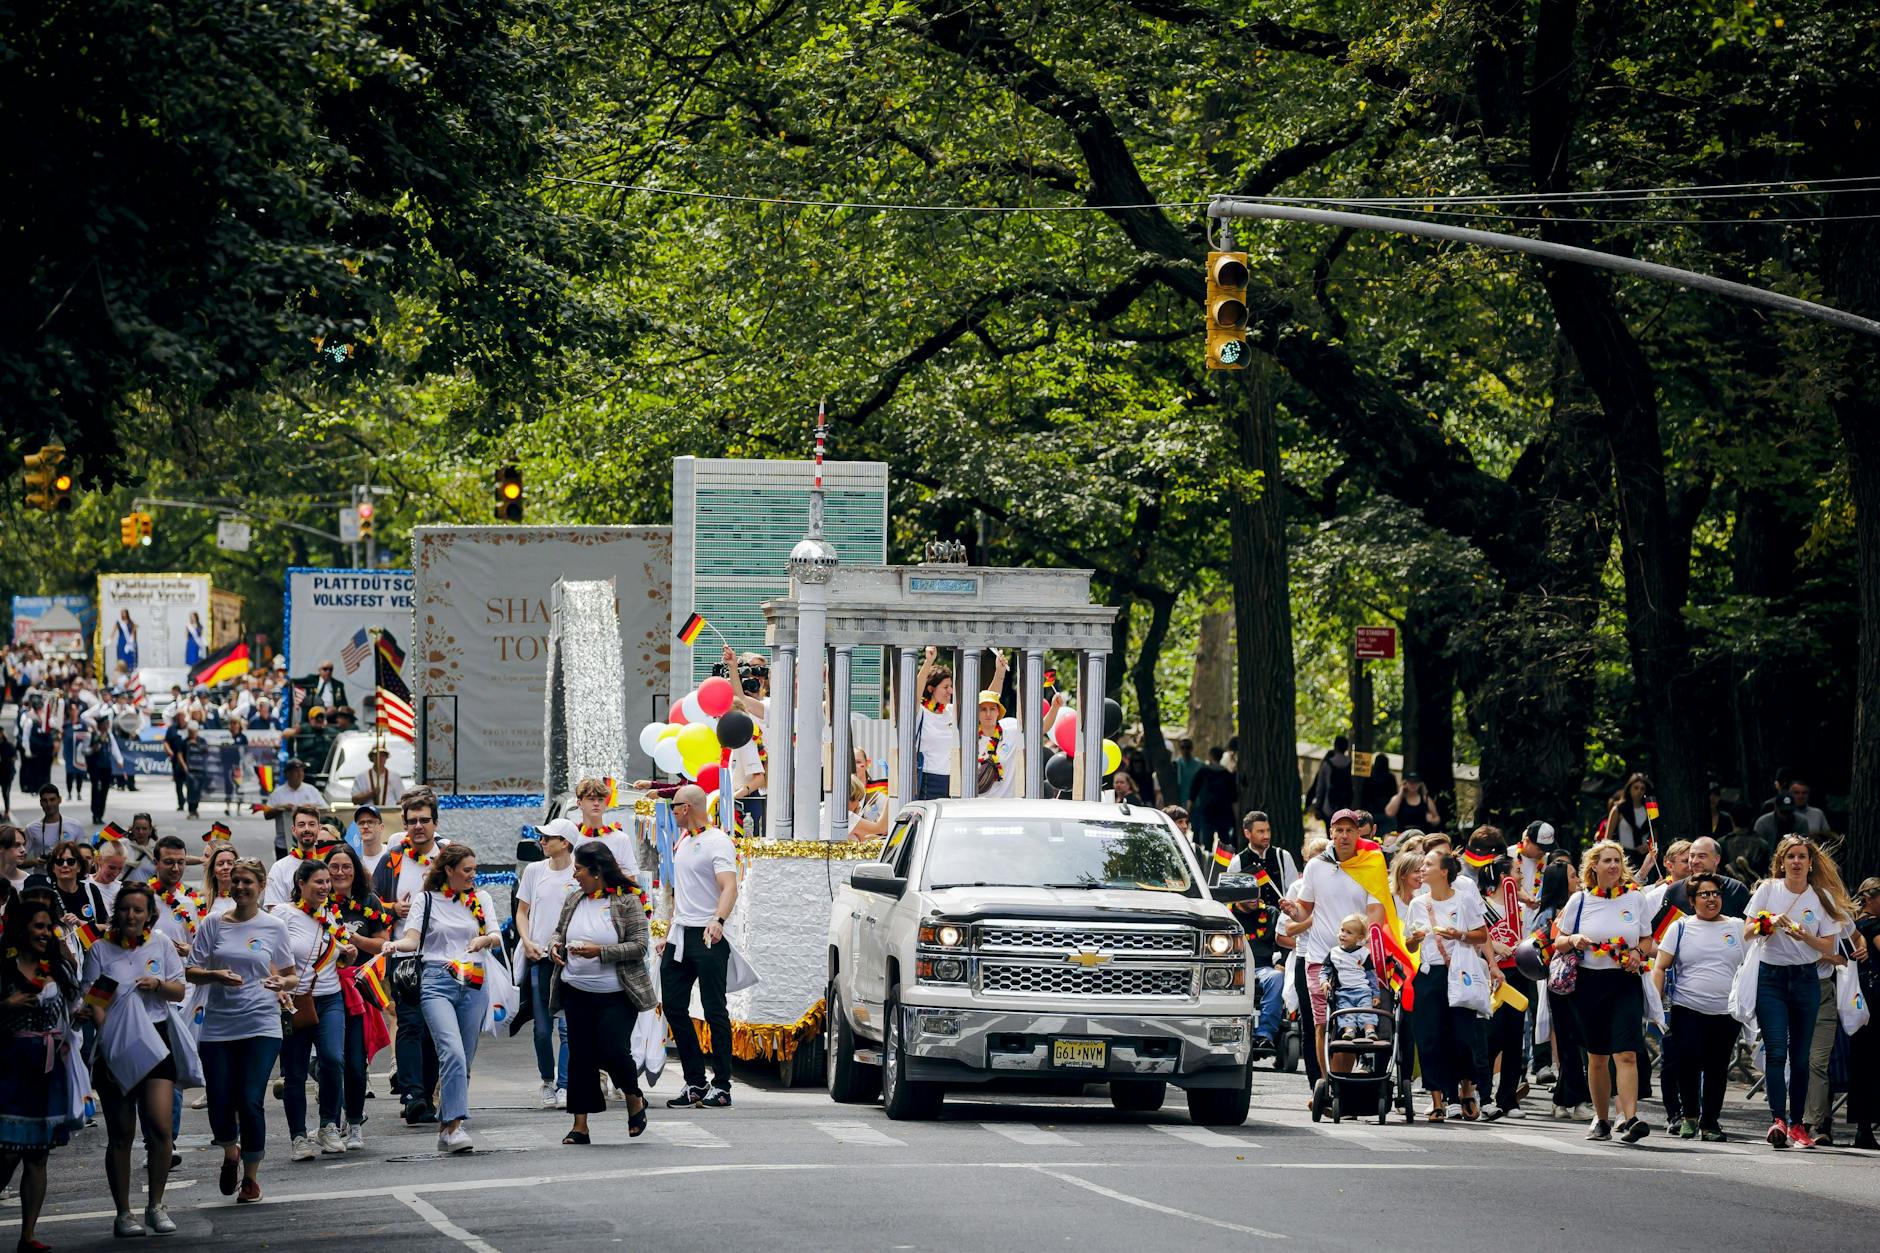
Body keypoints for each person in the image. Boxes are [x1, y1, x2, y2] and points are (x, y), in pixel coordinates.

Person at [79, 882, 187, 1237]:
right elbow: (95, 1001)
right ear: (117, 912)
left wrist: (157, 984)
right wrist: (109, 1040)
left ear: (149, 916)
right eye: (125, 909)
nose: (131, 916)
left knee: (160, 1126)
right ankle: (123, 1213)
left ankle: (156, 1205)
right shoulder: (100, 951)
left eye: (138, 910)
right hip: (116, 1043)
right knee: (121, 1133)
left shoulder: (161, 944)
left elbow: (179, 988)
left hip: (156, 1039)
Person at [186, 858, 295, 1203]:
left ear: (261, 886)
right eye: (237, 881)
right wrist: (215, 975)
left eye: (249, 881)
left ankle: (251, 1177)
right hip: (219, 1024)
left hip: (261, 1022)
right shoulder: (213, 923)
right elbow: (191, 971)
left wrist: (282, 981)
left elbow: (292, 974)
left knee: (250, 1099)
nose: (242, 887)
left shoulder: (274, 926)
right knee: (219, 1100)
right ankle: (230, 1151)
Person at [387, 844, 501, 1153]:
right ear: (448, 870)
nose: (472, 875)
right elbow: (412, 938)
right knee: (451, 1051)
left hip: (473, 979)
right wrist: (394, 946)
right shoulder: (426, 900)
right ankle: (453, 1126)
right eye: (467, 870)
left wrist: (485, 939)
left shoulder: (481, 898)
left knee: (464, 1056)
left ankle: (448, 1129)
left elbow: (496, 934)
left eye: (475, 869)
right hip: (437, 978)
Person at [1745, 834, 1852, 1149]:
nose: (1795, 861)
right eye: (1790, 856)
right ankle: (1777, 1120)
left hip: (1806, 979)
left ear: (1810, 862)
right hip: (1771, 978)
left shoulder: (1822, 897)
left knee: (1801, 1057)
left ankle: (1798, 1125)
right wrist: (1769, 924)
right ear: (1781, 862)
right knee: (1777, 1051)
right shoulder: (1768, 889)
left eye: (1801, 856)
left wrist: (1805, 936)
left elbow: (1829, 947)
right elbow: (1747, 931)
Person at [548, 842, 655, 1144]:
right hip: (576, 989)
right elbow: (558, 932)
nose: (575, 874)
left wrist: (600, 952)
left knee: (611, 1049)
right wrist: (554, 948)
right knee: (580, 1054)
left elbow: (639, 946)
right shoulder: (574, 898)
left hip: (617, 993)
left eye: (579, 869)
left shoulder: (627, 901)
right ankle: (579, 1125)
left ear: (596, 872)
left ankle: (634, 1097)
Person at [1, 893, 83, 1250]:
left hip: (49, 1067)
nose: (46, 933)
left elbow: (73, 1006)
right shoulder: (4, 968)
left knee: (37, 1153)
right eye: (38, 926)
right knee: (6, 1151)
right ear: (21, 929)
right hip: (11, 1066)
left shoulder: (58, 968)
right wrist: (7, 1004)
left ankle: (28, 1235)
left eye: (49, 926)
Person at [1278, 810, 1386, 1082]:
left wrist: (1366, 949)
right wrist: (1294, 912)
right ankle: (1324, 1085)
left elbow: (1376, 913)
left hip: (1355, 960)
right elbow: (1304, 912)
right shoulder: (1316, 866)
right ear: (1331, 834)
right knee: (1321, 1024)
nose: (1344, 835)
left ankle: (1341, 1085)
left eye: (1349, 830)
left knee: (1346, 1023)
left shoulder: (1371, 864)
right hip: (1319, 958)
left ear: (1358, 833)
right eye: (1339, 830)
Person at [1554, 840, 1651, 1143]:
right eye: (1606, 860)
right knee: (1596, 1057)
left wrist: (1638, 953)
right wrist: (1574, 940)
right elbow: (1557, 940)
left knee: (1627, 1053)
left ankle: (1631, 1117)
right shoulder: (1580, 900)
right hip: (1588, 983)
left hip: (1624, 982)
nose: (1612, 866)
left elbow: (1647, 940)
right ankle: (1602, 1118)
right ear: (1593, 867)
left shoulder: (1636, 899)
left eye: (1617, 861)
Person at [1649, 872, 1747, 1141]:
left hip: (1726, 1011)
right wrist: (1657, 1005)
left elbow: (1752, 963)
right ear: (1692, 901)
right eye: (1705, 894)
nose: (1712, 899)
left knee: (1717, 1067)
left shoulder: (1737, 927)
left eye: (1715, 893)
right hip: (1687, 1007)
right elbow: (1660, 966)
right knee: (1687, 1063)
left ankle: (1711, 1122)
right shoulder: (1680, 927)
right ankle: (1690, 1117)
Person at [659, 783, 739, 1109]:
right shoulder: (685, 840)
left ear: (687, 808)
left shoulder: (717, 841)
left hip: (707, 935)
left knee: (713, 1009)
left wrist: (718, 921)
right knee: (674, 1006)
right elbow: (684, 892)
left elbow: (729, 886)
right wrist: (669, 932)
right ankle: (695, 1082)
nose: (672, 811)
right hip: (682, 934)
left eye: (674, 806)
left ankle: (721, 1085)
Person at [1404, 850, 1487, 1121]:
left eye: (1428, 864)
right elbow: (1409, 943)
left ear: (1444, 872)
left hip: (1459, 973)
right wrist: (1415, 939)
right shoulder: (1418, 904)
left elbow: (1481, 934)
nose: (1422, 868)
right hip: (1430, 975)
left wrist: (1458, 934)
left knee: (1463, 1037)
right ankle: (1436, 1098)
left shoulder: (1464, 900)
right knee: (1430, 1038)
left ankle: (1466, 1090)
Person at [383, 793, 442, 1125]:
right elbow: (371, 900)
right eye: (412, 821)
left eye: (424, 820)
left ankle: (428, 1096)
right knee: (409, 1024)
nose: (418, 826)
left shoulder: (446, 858)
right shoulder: (393, 859)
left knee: (433, 1028)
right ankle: (412, 1095)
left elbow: (466, 896)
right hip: (404, 955)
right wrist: (394, 908)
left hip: (439, 955)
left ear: (435, 822)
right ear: (404, 824)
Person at [325, 843, 389, 1149]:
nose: (339, 873)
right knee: (329, 1060)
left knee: (354, 1061)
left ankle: (354, 1122)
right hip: (323, 988)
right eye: (334, 867)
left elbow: (382, 945)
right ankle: (329, 1124)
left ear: (355, 870)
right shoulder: (317, 901)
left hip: (358, 989)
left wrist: (352, 938)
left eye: (345, 867)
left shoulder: (368, 901)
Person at [518, 818, 578, 1109]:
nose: (542, 842)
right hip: (539, 958)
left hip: (570, 960)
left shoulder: (579, 870)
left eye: (547, 838)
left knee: (568, 1028)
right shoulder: (534, 871)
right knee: (542, 1029)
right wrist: (527, 941)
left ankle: (566, 1084)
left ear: (564, 842)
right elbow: (522, 911)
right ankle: (547, 1080)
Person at [24, 839, 109, 949]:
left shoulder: (91, 890)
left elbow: (107, 927)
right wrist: (62, 926)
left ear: (78, 867)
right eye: (59, 862)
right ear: (53, 868)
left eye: (70, 861)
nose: (64, 865)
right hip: (64, 955)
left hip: (93, 954)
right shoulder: (48, 894)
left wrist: (81, 924)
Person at [1849, 878, 1880, 1151]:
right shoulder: (1872, 925)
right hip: (1875, 1000)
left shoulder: (1854, 926)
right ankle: (1865, 1128)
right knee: (1872, 1064)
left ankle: (1863, 1127)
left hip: (1858, 1001)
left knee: (1863, 1063)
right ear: (1870, 898)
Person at [1322, 915, 1380, 1042]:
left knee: (1367, 1010)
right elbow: (1324, 970)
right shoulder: (1334, 953)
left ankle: (1369, 1030)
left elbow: (1371, 976)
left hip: (1363, 991)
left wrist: (1375, 994)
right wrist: (1324, 982)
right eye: (1342, 930)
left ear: (1359, 938)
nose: (1343, 934)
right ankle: (1349, 1031)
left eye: (1348, 932)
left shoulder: (1364, 953)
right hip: (1343, 992)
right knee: (1345, 1012)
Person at [571, 777, 640, 880]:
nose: (596, 803)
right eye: (591, 799)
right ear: (579, 803)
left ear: (606, 804)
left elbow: (630, 879)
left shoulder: (620, 838)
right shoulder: (570, 838)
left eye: (601, 799)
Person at [1664, 837, 1751, 917]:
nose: (1694, 861)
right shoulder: (1674, 891)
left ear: (1716, 859)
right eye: (1692, 856)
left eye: (1701, 856)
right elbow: (1662, 930)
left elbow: (1748, 928)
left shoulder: (1736, 890)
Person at [912, 647, 957, 801]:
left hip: (954, 780)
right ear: (931, 688)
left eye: (951, 686)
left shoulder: (952, 711)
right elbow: (914, 692)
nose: (950, 691)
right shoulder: (921, 712)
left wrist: (999, 673)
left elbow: (987, 701)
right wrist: (928, 661)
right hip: (928, 780)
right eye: (945, 687)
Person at [266, 805, 333, 906]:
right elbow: (273, 909)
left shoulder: (329, 864)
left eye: (311, 824)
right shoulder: (279, 868)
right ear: (293, 830)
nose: (307, 829)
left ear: (319, 828)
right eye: (301, 825)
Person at [260, 760, 323, 858]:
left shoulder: (311, 791)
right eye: (296, 771)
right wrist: (281, 808)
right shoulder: (278, 793)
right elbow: (266, 814)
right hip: (284, 843)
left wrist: (312, 807)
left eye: (302, 771)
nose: (300, 774)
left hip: (308, 843)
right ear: (287, 774)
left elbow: (325, 810)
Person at [1231, 810, 1301, 890]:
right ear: (1247, 834)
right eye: (1261, 831)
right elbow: (1233, 897)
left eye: (1268, 830)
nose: (1266, 836)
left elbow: (1294, 890)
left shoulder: (1284, 856)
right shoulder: (1237, 862)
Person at [973, 679, 1019, 800]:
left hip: (1006, 806)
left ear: (998, 711)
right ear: (976, 713)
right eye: (983, 709)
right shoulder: (969, 738)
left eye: (992, 709)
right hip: (977, 806)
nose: (988, 714)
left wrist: (1055, 708)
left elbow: (1041, 728)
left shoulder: (1012, 729)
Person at [1187, 747, 1237, 855]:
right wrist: (1236, 818)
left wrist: (1188, 812)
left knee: (1207, 843)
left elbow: (1192, 794)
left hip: (1207, 812)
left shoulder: (1203, 772)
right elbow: (1234, 799)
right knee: (1225, 843)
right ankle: (1224, 867)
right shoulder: (1227, 775)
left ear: (1210, 756)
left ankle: (1207, 865)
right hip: (1224, 813)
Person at [23, 784, 84, 864]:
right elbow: (20, 859)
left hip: (68, 873)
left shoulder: (75, 825)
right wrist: (35, 862)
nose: (49, 804)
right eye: (45, 801)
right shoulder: (31, 828)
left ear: (60, 800)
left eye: (52, 800)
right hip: (41, 874)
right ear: (41, 803)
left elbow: (84, 854)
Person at [1599, 772, 1654, 858]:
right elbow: (1607, 839)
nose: (1639, 791)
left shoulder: (1651, 808)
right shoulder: (1618, 809)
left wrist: (1649, 846)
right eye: (1636, 788)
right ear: (1629, 788)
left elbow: (1655, 834)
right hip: (1625, 857)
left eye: (1642, 789)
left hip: (1647, 857)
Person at [1307, 735, 1355, 824]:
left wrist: (1317, 806)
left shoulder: (1327, 764)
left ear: (1335, 746)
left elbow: (1321, 788)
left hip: (1329, 806)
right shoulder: (1352, 764)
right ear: (1346, 747)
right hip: (1346, 805)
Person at [350, 744, 408, 808]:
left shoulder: (395, 777)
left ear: (386, 757)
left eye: (383, 755)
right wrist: (370, 794)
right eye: (377, 755)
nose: (380, 758)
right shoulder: (361, 777)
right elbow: (354, 800)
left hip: (390, 814)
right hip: (369, 814)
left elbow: (401, 800)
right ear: (371, 757)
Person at [201, 842, 238, 914]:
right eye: (220, 864)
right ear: (213, 871)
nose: (225, 867)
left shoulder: (247, 900)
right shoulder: (202, 902)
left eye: (230, 863)